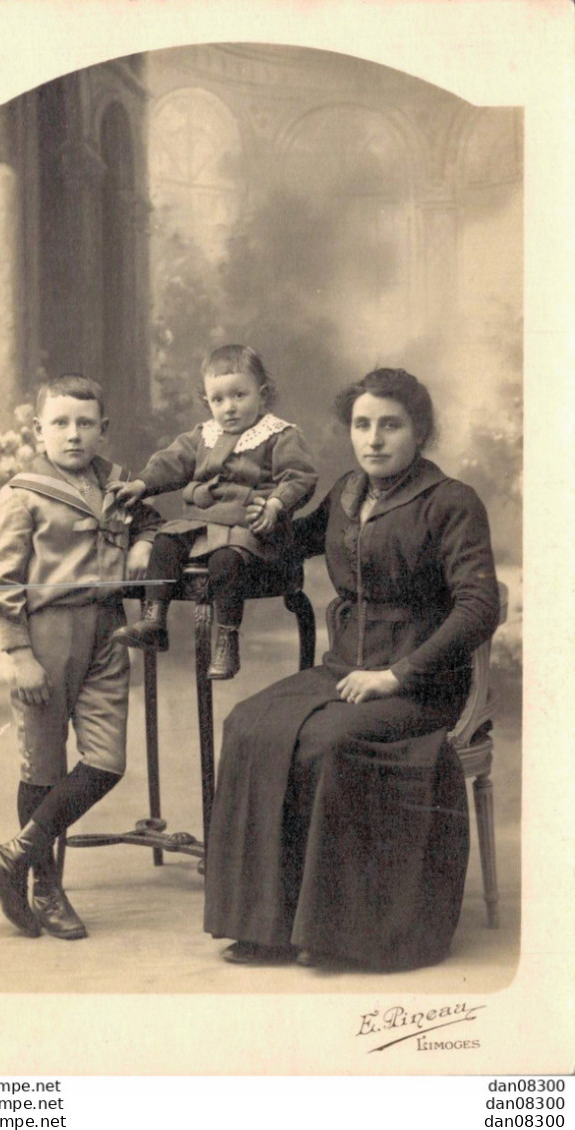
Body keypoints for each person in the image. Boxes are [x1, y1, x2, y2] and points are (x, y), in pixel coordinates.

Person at [203, 367, 500, 970]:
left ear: (420, 431)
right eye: (362, 425)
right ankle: (267, 925)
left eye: (390, 425)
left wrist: (399, 675)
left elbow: (480, 606)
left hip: (421, 683)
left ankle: (340, 929)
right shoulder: (346, 493)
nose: (374, 439)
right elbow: (290, 545)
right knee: (247, 724)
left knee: (330, 742)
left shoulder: (451, 502)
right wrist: (253, 514)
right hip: (342, 667)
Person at [0, 374, 162, 941]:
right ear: (38, 429)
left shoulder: (121, 484)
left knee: (106, 761)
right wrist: (19, 653)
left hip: (108, 630)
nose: (73, 435)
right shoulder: (23, 491)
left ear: (102, 429)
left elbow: (149, 519)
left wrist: (148, 540)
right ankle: (45, 887)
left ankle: (14, 854)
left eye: (85, 423)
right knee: (43, 765)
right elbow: (0, 583)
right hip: (46, 633)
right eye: (60, 423)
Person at [109, 345, 318, 679]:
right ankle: (154, 620)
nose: (229, 408)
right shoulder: (204, 435)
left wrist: (276, 504)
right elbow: (171, 462)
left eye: (239, 395)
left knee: (226, 562)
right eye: (218, 400)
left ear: (261, 395)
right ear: (207, 402)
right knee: (164, 543)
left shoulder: (279, 434)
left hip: (248, 526)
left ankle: (227, 641)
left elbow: (300, 476)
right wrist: (141, 485)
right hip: (201, 522)